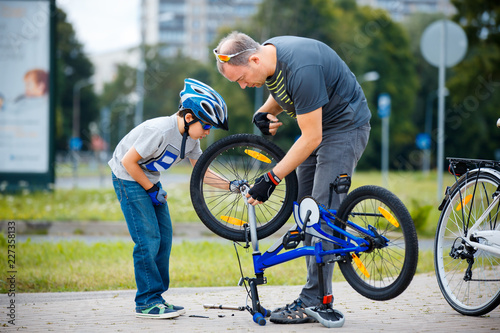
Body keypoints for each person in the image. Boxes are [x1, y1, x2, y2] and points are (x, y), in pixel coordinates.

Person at [213, 32, 371, 327]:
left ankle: (316, 301)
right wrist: (264, 111)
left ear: (255, 58)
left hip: (344, 128)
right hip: (320, 128)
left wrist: (271, 178)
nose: (244, 85)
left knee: (321, 216)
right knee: (305, 211)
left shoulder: (301, 68)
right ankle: (314, 292)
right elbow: (286, 92)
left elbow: (312, 137)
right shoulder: (271, 58)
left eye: (242, 78)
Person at [109, 78, 231, 319]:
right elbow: (128, 162)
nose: (208, 132)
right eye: (206, 126)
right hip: (128, 178)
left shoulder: (192, 139)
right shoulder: (160, 131)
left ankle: (157, 297)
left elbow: (202, 172)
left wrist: (232, 186)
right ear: (188, 118)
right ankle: (146, 301)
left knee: (164, 238)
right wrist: (150, 189)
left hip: (150, 180)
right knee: (148, 239)